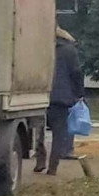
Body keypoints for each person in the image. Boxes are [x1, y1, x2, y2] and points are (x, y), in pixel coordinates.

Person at [35, 27, 85, 175]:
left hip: (40, 95)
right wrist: (79, 94)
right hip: (61, 98)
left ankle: (40, 161)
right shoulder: (70, 51)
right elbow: (76, 73)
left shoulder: (41, 49)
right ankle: (53, 167)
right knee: (58, 134)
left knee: (38, 131)